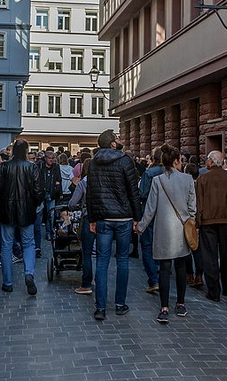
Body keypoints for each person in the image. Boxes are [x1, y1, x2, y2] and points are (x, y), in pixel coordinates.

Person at [85, 129, 140, 321]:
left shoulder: (93, 164)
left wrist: (91, 218)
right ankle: (119, 303)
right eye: (116, 138)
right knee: (122, 260)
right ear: (112, 144)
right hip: (123, 217)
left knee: (102, 261)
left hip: (103, 218)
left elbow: (90, 194)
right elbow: (133, 192)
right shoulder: (125, 161)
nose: (119, 139)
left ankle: (100, 307)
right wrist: (136, 217)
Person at [137, 144, 195, 323]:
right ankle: (180, 303)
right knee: (181, 267)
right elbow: (193, 207)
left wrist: (141, 226)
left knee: (164, 269)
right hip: (182, 229)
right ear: (177, 161)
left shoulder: (157, 180)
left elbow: (150, 209)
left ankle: (164, 307)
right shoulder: (188, 179)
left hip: (163, 230)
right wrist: (190, 222)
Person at [0, 139, 44, 294]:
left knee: (6, 246)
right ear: (26, 151)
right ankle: (29, 273)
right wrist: (34, 204)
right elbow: (39, 191)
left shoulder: (4, 167)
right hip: (26, 211)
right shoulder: (31, 167)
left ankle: (8, 282)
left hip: (7, 211)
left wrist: (1, 203)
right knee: (28, 244)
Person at [196, 150, 227, 302]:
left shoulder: (203, 179)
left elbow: (199, 203)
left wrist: (198, 222)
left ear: (211, 162)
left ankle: (214, 291)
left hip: (208, 222)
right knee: (226, 255)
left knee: (210, 256)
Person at [137, 147, 164, 293]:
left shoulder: (149, 173)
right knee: (163, 243)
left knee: (147, 245)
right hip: (166, 214)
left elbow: (142, 193)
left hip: (149, 212)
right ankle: (161, 273)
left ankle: (153, 279)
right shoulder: (173, 173)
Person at [68, 158, 95, 295]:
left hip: (88, 217)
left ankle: (86, 283)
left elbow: (73, 203)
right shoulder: (103, 181)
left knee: (87, 252)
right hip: (103, 219)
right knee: (102, 254)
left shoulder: (83, 183)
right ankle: (98, 280)